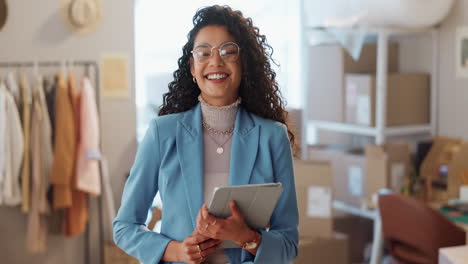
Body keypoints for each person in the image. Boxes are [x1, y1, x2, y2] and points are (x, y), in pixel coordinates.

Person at [113, 5, 299, 264]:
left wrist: (246, 236)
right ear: (192, 66)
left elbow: (289, 243)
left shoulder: (272, 137)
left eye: (228, 51)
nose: (215, 62)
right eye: (204, 53)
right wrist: (176, 250)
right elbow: (124, 227)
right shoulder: (161, 133)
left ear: (243, 63)